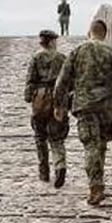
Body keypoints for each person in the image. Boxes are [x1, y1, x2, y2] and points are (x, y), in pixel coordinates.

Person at [53, 19, 112, 205]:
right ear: (105, 34)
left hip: (85, 106)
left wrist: (58, 105)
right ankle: (98, 180)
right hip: (106, 107)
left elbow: (62, 81)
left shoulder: (77, 52)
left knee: (91, 146)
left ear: (89, 32)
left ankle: (95, 185)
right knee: (101, 145)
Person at [26, 30, 70, 187]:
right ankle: (60, 166)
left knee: (40, 137)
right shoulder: (62, 58)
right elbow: (68, 82)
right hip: (57, 99)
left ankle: (44, 171)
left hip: (40, 99)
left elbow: (30, 80)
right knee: (57, 137)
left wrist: (29, 98)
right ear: (51, 42)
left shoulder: (36, 57)